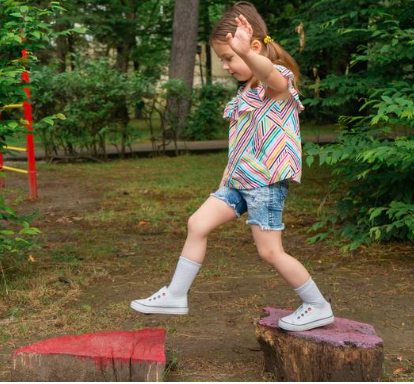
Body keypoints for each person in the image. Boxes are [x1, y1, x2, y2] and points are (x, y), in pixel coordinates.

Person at [130, 1, 334, 332]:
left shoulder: (276, 81)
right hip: (237, 183)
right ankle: (176, 295)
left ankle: (317, 304)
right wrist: (226, 177)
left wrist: (247, 53)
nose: (225, 65)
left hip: (264, 185)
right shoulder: (246, 93)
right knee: (197, 223)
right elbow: (241, 142)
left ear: (254, 47)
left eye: (230, 57)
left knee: (270, 252)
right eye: (224, 58)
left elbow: (270, 75)